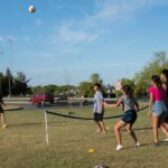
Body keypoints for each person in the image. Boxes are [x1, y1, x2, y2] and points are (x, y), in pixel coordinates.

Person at [104, 85, 140, 151]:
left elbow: (116, 105)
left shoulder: (123, 97)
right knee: (129, 129)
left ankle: (119, 145)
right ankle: (137, 142)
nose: (121, 90)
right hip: (134, 114)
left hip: (128, 114)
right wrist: (137, 108)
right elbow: (137, 104)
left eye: (121, 89)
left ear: (123, 90)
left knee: (116, 128)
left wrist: (106, 105)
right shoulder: (132, 96)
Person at [148, 75, 168, 145]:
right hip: (165, 108)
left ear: (153, 81)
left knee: (155, 126)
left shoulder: (152, 89)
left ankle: (156, 141)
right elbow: (166, 99)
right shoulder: (163, 89)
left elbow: (151, 100)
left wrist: (149, 110)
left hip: (157, 107)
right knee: (161, 124)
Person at [160, 69, 168, 140]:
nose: (160, 76)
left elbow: (164, 95)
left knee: (161, 122)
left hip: (166, 104)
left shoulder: (164, 84)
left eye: (161, 74)